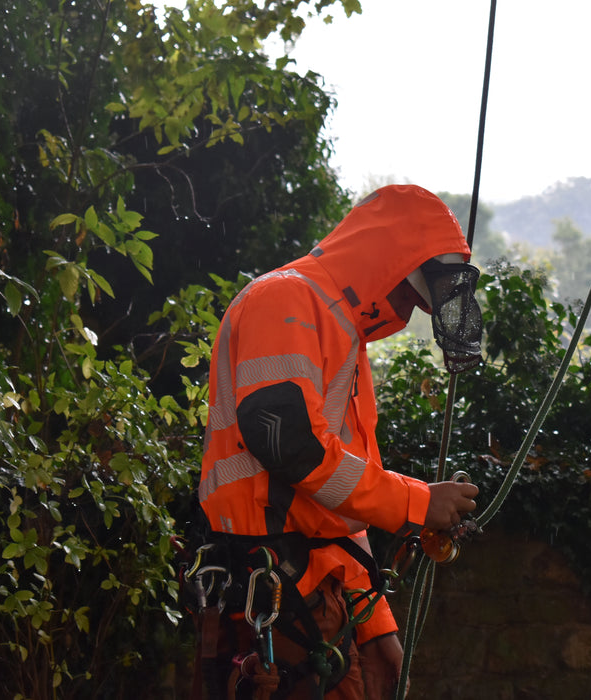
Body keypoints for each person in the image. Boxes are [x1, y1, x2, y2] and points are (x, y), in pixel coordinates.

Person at [195, 184, 483, 699]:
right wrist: (418, 502)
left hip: (316, 597)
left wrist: (377, 629)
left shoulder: (343, 335)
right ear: (385, 266)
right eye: (409, 295)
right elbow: (287, 444)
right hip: (274, 593)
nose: (407, 312)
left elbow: (337, 507)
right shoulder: (286, 298)